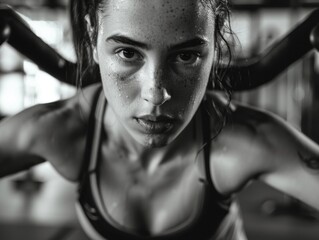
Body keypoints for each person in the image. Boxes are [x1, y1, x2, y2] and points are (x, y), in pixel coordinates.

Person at [0, 0, 319, 239]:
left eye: (186, 56)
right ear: (94, 36)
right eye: (127, 53)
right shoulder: (62, 129)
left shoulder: (241, 141)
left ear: (215, 39)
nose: (157, 94)